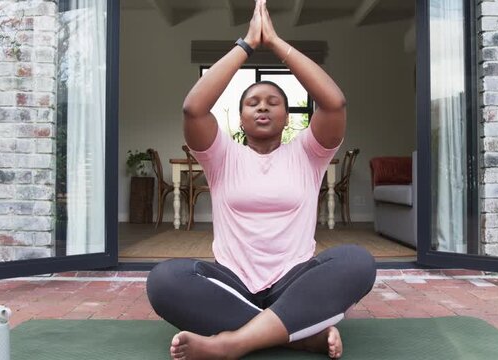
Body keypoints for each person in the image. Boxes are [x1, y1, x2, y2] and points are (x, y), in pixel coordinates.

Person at [146, 1, 377, 359]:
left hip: (294, 281)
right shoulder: (221, 155)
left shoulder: (308, 153)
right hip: (233, 285)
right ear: (240, 120)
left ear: (287, 117)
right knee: (163, 281)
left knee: (358, 262)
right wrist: (247, 45)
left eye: (273, 102)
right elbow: (194, 108)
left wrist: (277, 43)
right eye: (252, 102)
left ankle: (233, 344)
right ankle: (299, 336)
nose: (263, 107)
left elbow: (334, 104)